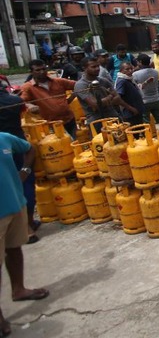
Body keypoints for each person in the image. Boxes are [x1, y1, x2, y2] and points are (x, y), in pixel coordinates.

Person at [0, 131, 50, 337]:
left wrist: (25, 170)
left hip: (16, 204)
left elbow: (29, 149)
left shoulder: (4, 138)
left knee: (15, 249)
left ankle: (18, 289)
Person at [0, 84, 39, 243]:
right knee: (26, 183)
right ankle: (28, 224)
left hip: (4, 148)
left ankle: (26, 228)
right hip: (18, 144)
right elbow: (28, 111)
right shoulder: (14, 100)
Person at [20, 60, 78, 138]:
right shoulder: (27, 87)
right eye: (38, 70)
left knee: (75, 143)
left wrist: (70, 99)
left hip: (69, 120)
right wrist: (29, 105)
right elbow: (20, 101)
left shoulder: (58, 81)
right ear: (31, 72)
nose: (42, 72)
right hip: (49, 125)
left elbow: (79, 85)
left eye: (44, 69)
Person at [73, 57, 123, 125]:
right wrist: (111, 96)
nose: (97, 69)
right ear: (84, 68)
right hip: (96, 121)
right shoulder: (81, 85)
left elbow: (118, 99)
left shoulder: (104, 81)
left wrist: (104, 102)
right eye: (93, 67)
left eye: (98, 66)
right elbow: (95, 104)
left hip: (113, 117)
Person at [132, 54, 159, 128]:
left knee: (146, 121)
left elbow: (135, 87)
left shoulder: (136, 74)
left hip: (144, 101)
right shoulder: (155, 72)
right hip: (156, 99)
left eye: (137, 62)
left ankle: (148, 137)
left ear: (140, 62)